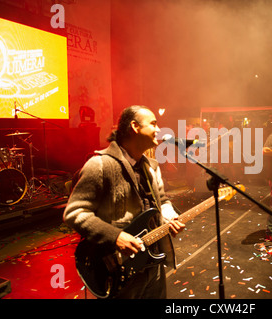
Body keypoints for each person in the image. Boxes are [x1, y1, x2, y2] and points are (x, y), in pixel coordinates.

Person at [63, 105, 185, 299]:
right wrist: (115, 236)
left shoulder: (151, 167)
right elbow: (75, 212)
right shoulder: (100, 165)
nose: (159, 130)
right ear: (135, 127)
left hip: (153, 265)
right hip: (119, 269)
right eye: (153, 124)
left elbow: (161, 200)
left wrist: (169, 216)